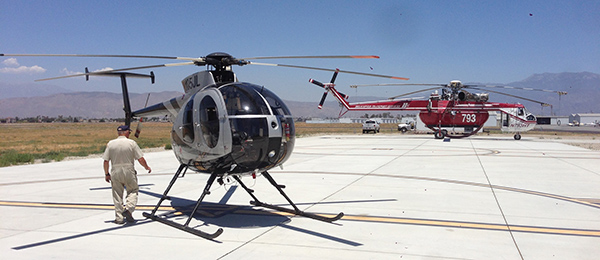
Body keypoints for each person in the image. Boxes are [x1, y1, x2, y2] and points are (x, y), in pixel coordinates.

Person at [102, 125, 151, 224]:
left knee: (117, 195)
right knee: (133, 190)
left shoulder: (111, 144)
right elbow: (140, 158)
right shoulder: (131, 143)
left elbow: (106, 161)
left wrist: (107, 173)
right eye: (129, 132)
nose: (129, 134)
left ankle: (119, 218)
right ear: (125, 132)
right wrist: (146, 167)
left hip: (115, 170)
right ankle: (128, 209)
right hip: (129, 170)